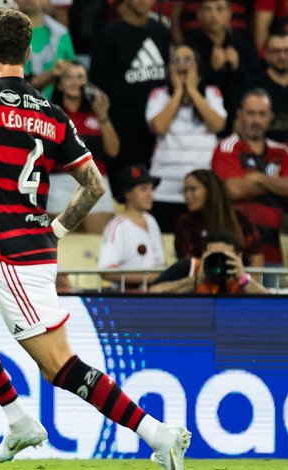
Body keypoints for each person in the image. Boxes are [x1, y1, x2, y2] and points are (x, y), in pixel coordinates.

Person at [0, 7, 190, 470]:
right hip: (6, 247)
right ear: (28, 53)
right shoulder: (52, 112)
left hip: (13, 256)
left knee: (59, 366)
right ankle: (19, 423)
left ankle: (157, 433)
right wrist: (58, 231)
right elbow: (91, 184)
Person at [146, 44, 226, 232]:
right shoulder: (159, 95)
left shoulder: (211, 93)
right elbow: (160, 127)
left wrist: (192, 90)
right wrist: (179, 92)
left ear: (199, 68)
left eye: (188, 59)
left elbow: (217, 125)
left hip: (202, 190)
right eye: (176, 60)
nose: (182, 64)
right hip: (164, 190)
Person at [89, 0, 170, 183]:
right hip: (122, 130)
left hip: (156, 130)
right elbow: (97, 86)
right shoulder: (108, 36)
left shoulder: (162, 32)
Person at [211, 89, 288, 271]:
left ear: (270, 117)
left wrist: (256, 178)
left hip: (272, 249)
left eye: (262, 114)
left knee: (270, 299)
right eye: (251, 113)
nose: (256, 120)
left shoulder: (282, 151)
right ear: (240, 115)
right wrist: (273, 181)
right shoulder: (226, 148)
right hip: (236, 251)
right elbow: (233, 190)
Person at [48, 60, 118, 234]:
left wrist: (103, 116)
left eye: (80, 77)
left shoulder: (97, 113)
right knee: (63, 248)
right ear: (60, 85)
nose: (74, 82)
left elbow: (113, 150)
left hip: (95, 180)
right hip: (60, 182)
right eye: (68, 77)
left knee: (96, 247)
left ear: (87, 84)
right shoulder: (50, 114)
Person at [188, 0, 261, 134]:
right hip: (201, 123)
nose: (214, 15)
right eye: (208, 9)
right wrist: (212, 70)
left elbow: (256, 83)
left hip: (238, 121)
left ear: (229, 14)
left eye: (220, 9)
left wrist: (238, 67)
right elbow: (188, 89)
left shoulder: (243, 43)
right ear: (199, 15)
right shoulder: (190, 47)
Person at [174, 168, 263, 266]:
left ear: (210, 190)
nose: (187, 195)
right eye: (185, 190)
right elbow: (187, 262)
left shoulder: (240, 219)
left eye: (192, 189)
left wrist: (246, 281)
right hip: (199, 279)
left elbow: (255, 257)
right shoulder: (185, 223)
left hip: (239, 278)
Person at [98, 165, 166, 288]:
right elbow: (107, 271)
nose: (150, 194)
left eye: (151, 189)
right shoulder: (117, 225)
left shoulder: (151, 221)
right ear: (127, 193)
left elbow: (160, 263)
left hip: (155, 294)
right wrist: (149, 278)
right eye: (143, 189)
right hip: (127, 299)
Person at [149, 229, 269, 293]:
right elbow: (152, 294)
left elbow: (274, 307)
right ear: (203, 254)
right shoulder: (190, 267)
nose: (219, 261)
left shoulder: (240, 275)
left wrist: (243, 279)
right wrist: (196, 280)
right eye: (213, 255)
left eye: (224, 256)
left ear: (238, 256)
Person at [16, 0, 76, 98]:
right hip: (14, 106)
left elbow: (72, 71)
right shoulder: (1, 33)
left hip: (54, 107)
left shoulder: (62, 34)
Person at [246, 34, 288, 143]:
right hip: (263, 154)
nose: (282, 56)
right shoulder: (252, 87)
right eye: (276, 51)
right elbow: (239, 126)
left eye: (286, 51)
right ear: (266, 54)